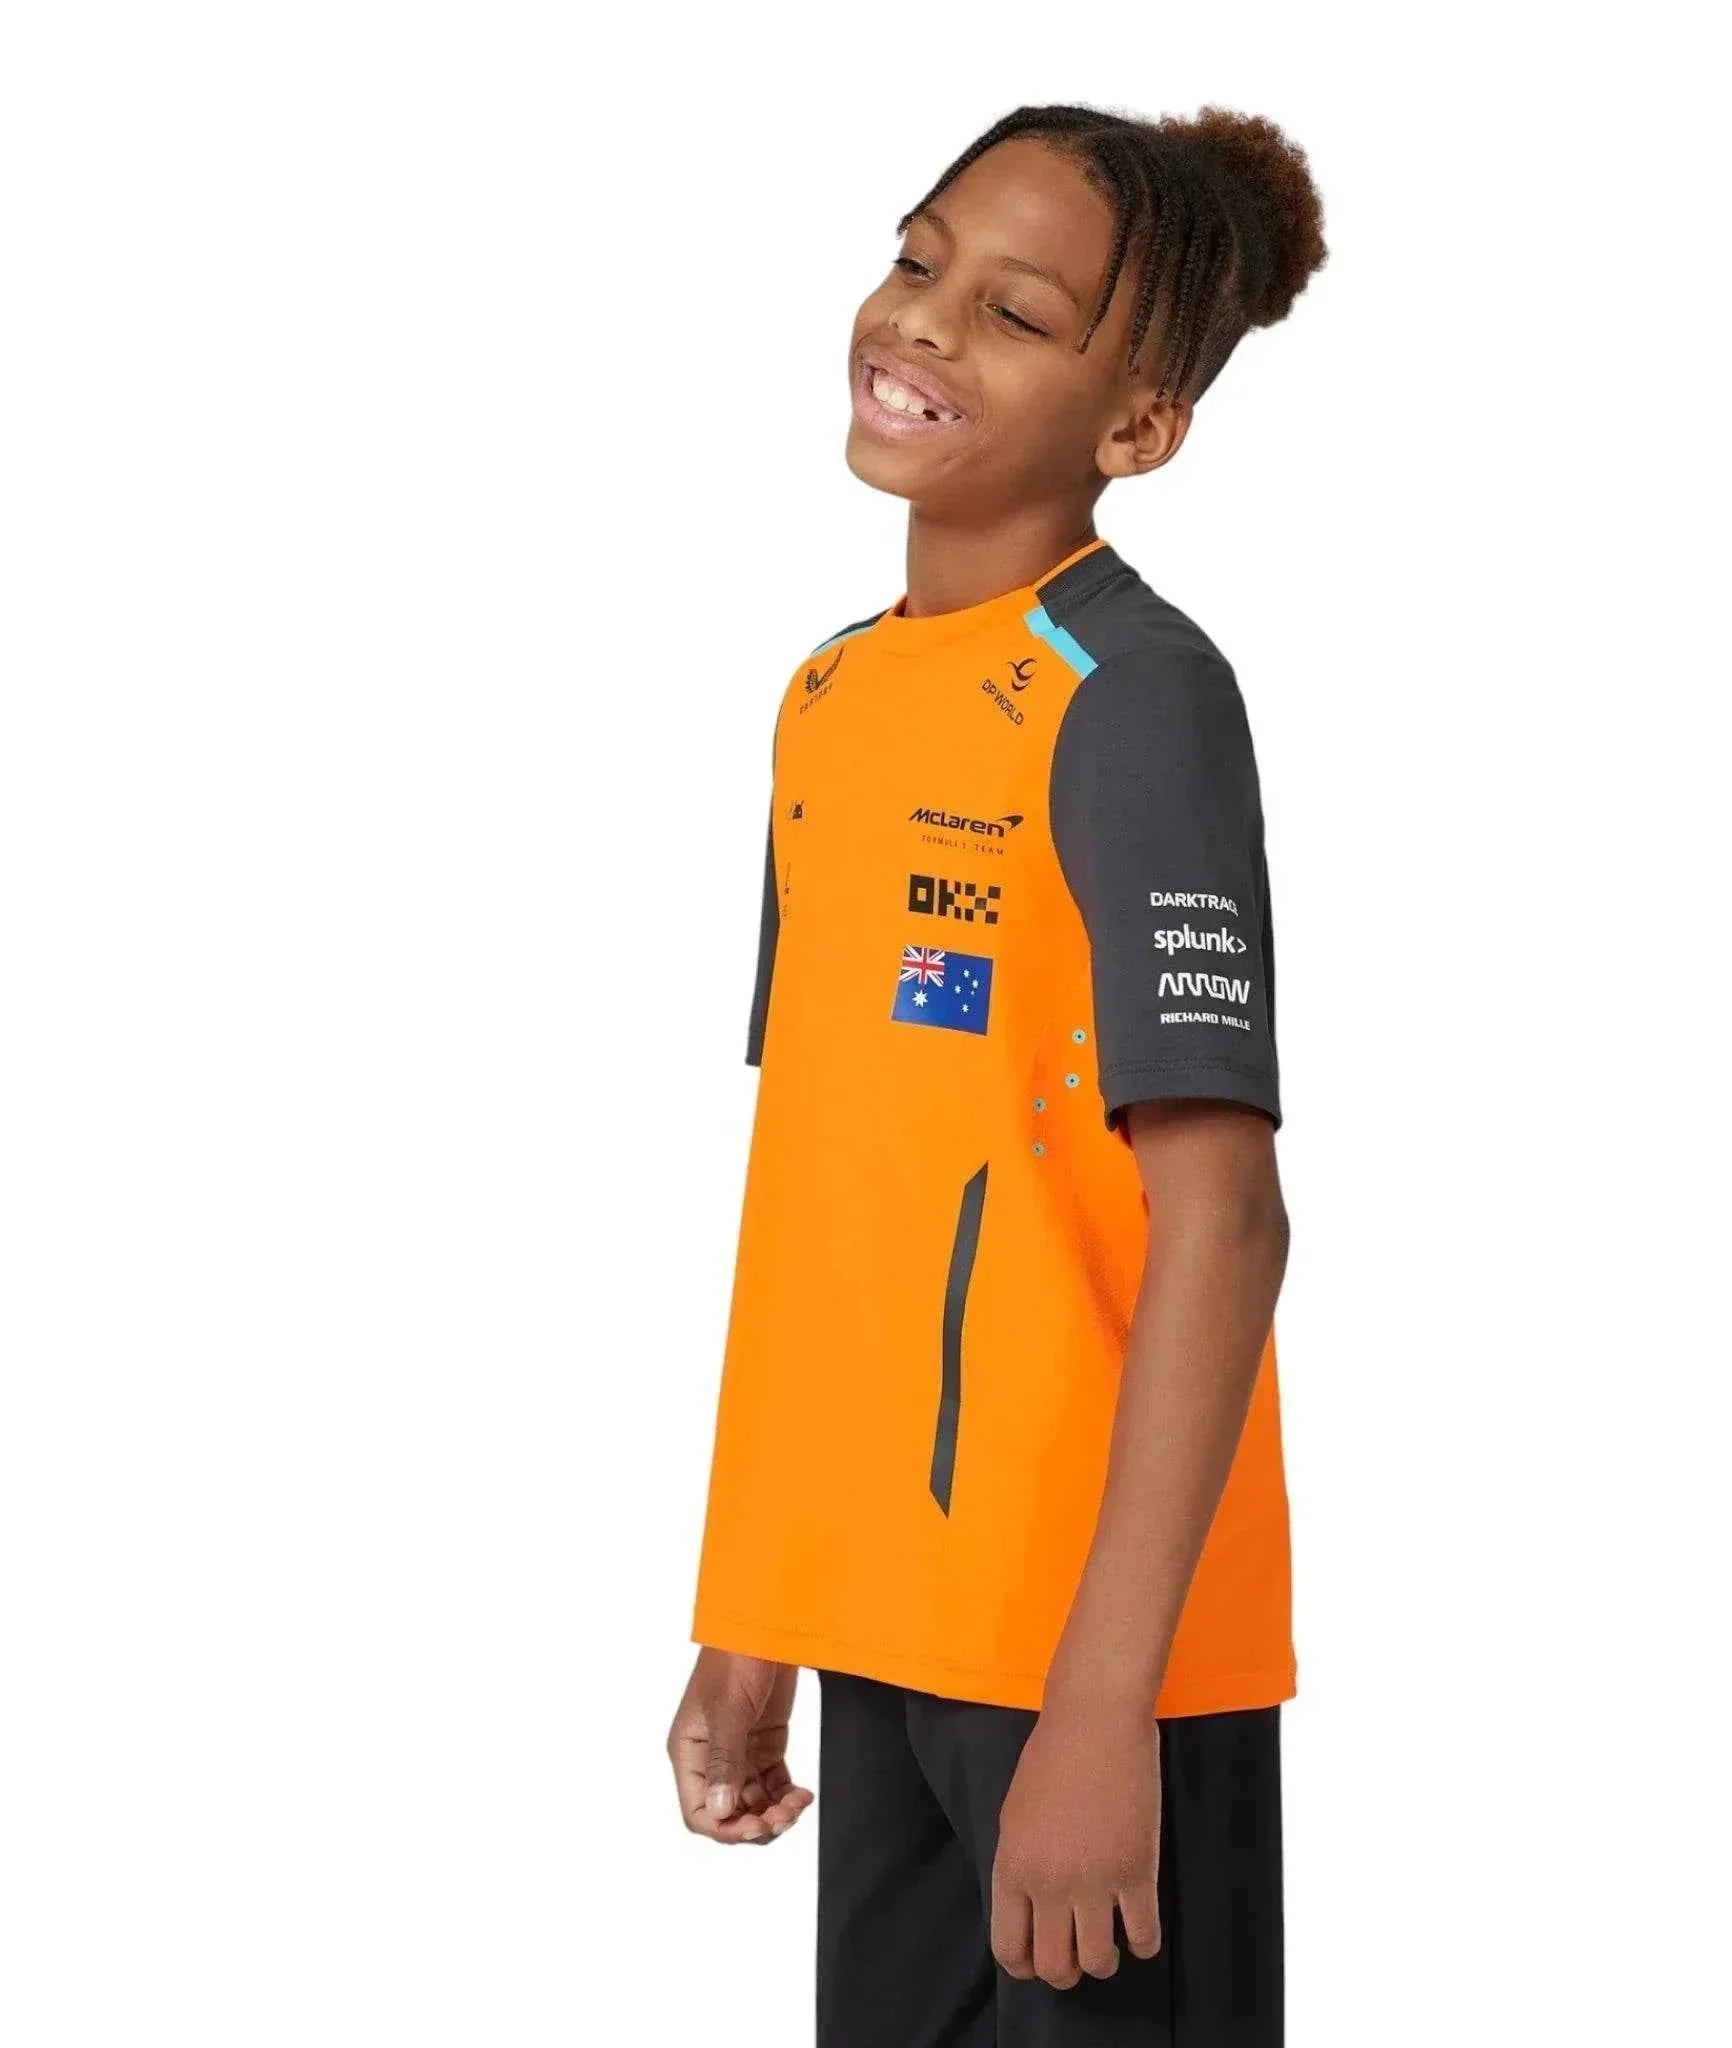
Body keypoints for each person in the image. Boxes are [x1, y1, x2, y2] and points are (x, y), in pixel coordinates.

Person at [668, 100, 1327, 2046]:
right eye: (919, 257)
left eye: (1019, 313)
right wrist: (755, 1611)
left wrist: (1107, 1708)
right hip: (883, 1634)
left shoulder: (1132, 698)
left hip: (1096, 1664)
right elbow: (828, 1188)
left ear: (1139, 427)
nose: (925, 321)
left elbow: (1227, 1218)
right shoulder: (827, 699)